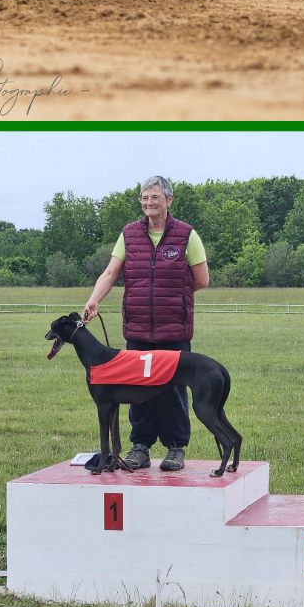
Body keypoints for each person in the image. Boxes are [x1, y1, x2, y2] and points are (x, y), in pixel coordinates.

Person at [82, 176, 209, 472]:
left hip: (173, 329)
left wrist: (173, 297)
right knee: (136, 388)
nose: (149, 203)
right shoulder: (129, 234)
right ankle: (140, 446)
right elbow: (111, 272)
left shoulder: (187, 235)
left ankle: (175, 448)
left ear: (169, 200)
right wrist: (93, 299)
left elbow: (201, 280)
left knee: (173, 389)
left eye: (155, 197)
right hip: (138, 327)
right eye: (144, 198)